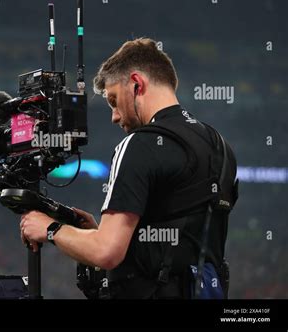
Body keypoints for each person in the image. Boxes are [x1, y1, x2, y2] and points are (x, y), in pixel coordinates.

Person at [20, 38, 238, 298]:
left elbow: (107, 253)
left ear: (137, 83)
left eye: (113, 100)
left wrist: (49, 229)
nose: (114, 116)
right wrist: (94, 233)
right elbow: (180, 241)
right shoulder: (221, 146)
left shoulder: (139, 144)